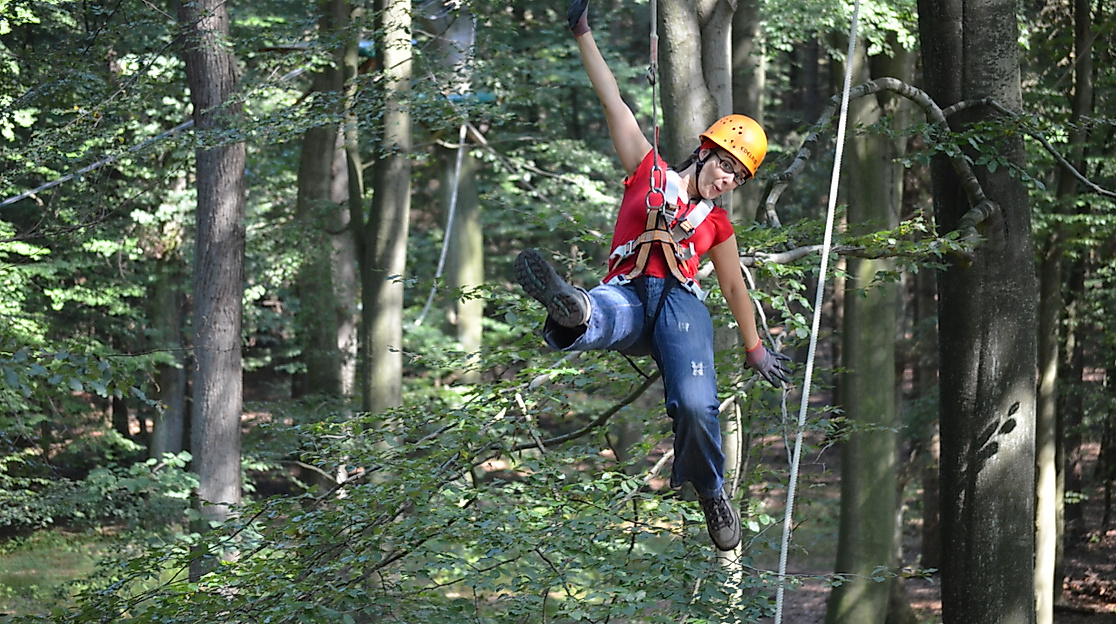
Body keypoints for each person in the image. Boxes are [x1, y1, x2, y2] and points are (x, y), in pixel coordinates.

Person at [515, 0, 790, 552]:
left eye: (737, 176)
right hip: (630, 293)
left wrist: (755, 346)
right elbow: (613, 101)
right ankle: (572, 307)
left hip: (681, 306)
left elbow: (733, 287)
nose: (726, 179)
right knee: (604, 313)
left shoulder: (716, 225)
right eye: (725, 165)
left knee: (694, 403)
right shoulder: (649, 169)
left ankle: (711, 490)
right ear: (707, 150)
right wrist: (583, 34)